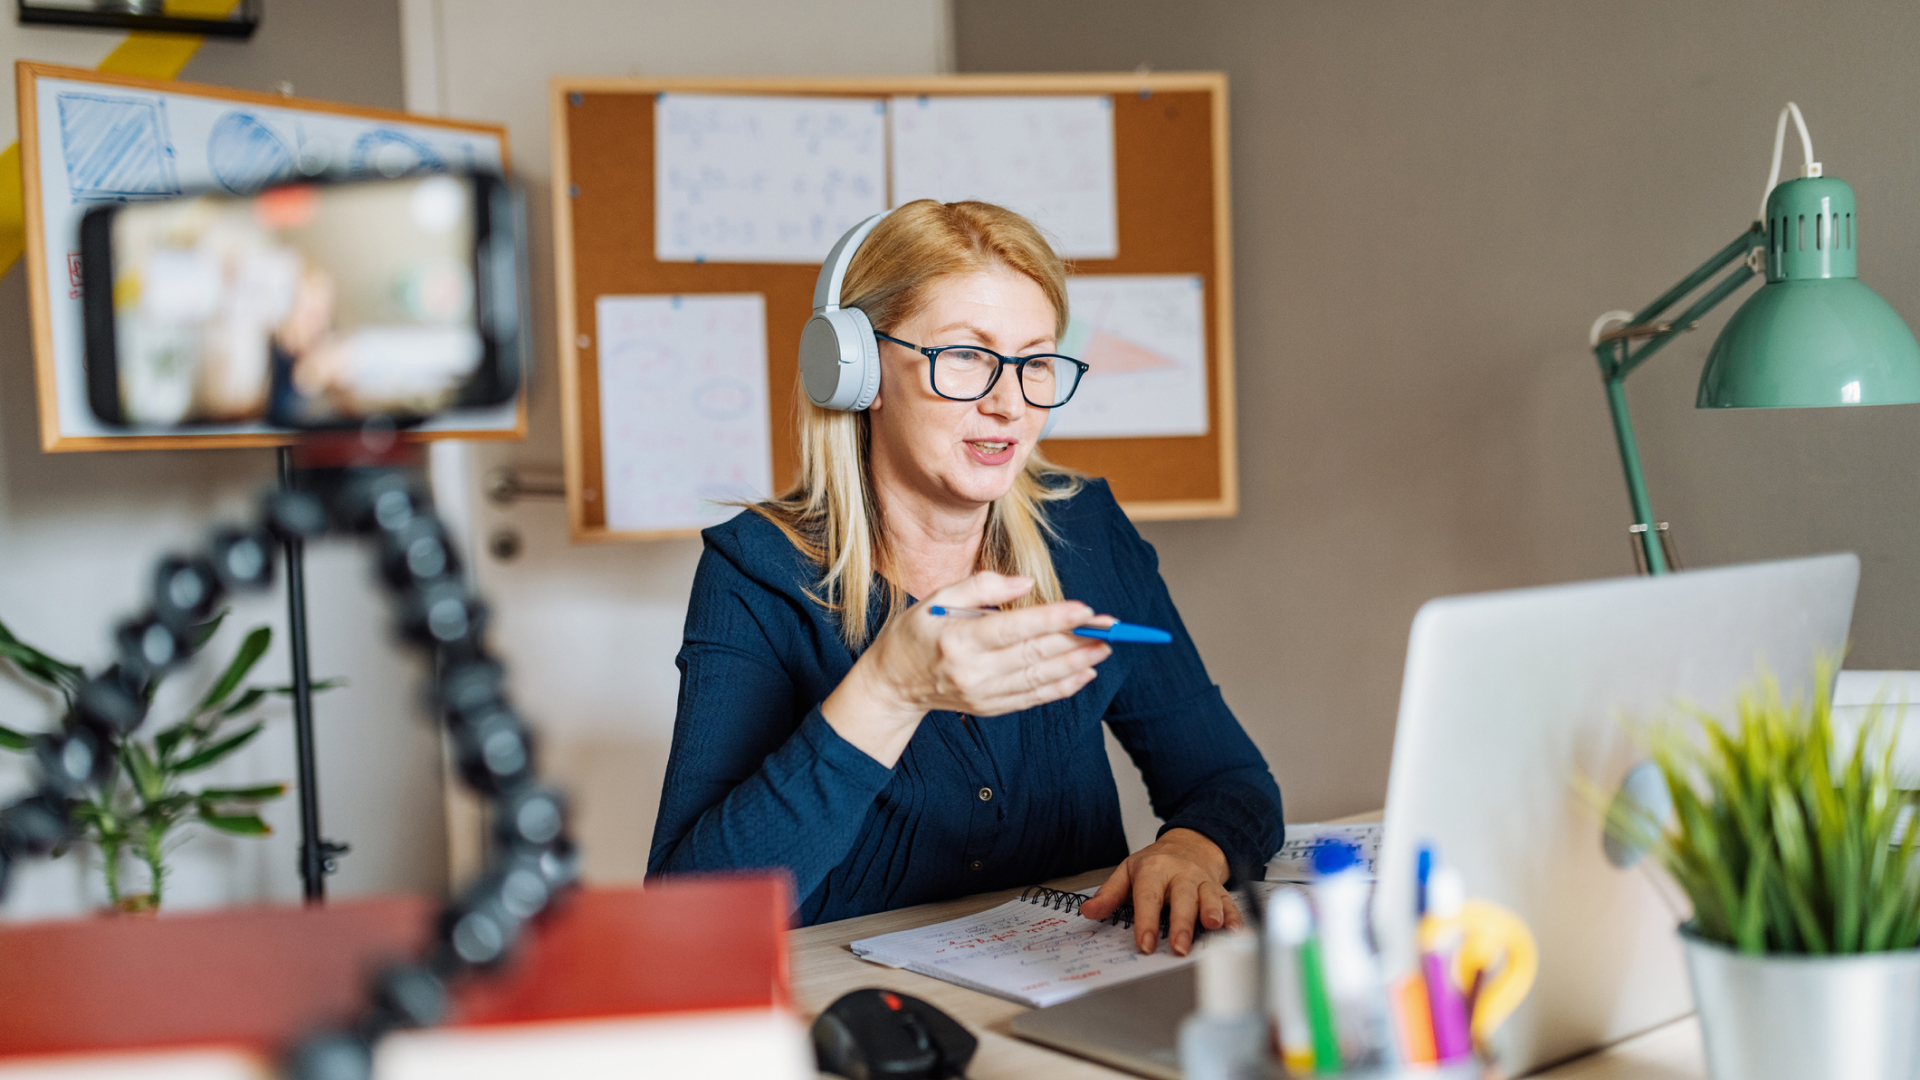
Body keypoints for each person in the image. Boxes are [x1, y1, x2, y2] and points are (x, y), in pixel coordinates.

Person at [647, 200, 1284, 956]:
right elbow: (688, 922)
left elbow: (1232, 781)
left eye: (1035, 361)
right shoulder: (759, 573)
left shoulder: (1085, 532)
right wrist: (888, 690)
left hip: (1065, 990)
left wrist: (1190, 848)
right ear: (858, 372)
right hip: (860, 1015)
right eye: (967, 357)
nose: (1008, 403)